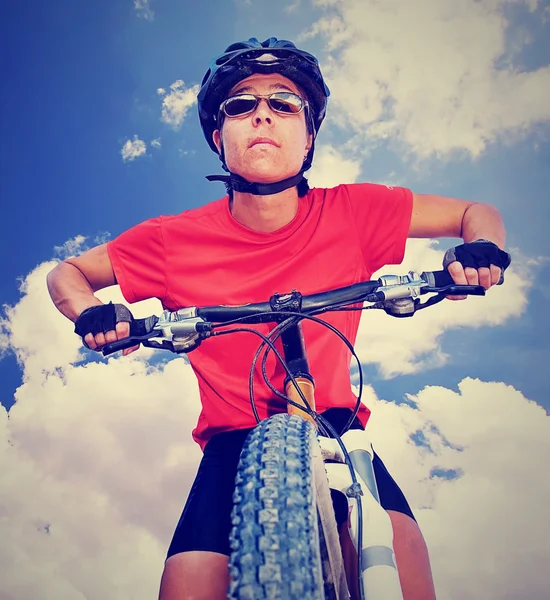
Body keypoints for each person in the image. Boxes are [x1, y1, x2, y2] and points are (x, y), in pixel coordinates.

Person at [47, 37, 510, 600]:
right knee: (187, 587)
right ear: (219, 137)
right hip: (231, 443)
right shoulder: (170, 240)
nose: (262, 113)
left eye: (284, 103)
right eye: (240, 105)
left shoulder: (353, 213)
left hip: (337, 426)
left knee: (403, 570)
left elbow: (472, 213)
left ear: (308, 135)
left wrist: (478, 251)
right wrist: (93, 311)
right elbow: (67, 273)